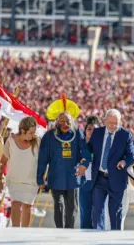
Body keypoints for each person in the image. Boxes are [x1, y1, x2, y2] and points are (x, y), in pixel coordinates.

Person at [37, 96, 91, 229]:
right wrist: (40, 178)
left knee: (72, 207)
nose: (64, 124)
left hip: (73, 177)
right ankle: (59, 231)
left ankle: (69, 232)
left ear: (71, 121)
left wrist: (85, 163)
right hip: (56, 177)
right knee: (59, 205)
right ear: (56, 122)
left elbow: (85, 151)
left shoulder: (77, 134)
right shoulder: (49, 137)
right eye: (61, 121)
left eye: (67, 121)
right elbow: (43, 159)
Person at [89, 109, 134, 230]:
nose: (113, 126)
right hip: (99, 178)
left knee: (115, 212)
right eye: (110, 122)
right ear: (104, 121)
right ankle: (96, 238)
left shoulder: (126, 135)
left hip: (117, 178)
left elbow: (131, 154)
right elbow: (88, 149)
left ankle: (115, 239)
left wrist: (124, 161)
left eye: (116, 123)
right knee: (97, 210)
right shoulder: (97, 133)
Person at [1, 117, 40, 227]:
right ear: (23, 131)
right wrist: (0, 178)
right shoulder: (11, 140)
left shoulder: (37, 142)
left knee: (27, 207)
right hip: (14, 180)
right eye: (31, 132)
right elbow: (3, 161)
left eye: (34, 132)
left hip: (31, 181)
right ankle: (15, 232)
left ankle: (24, 233)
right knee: (15, 204)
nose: (33, 135)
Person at [79, 115, 100, 229]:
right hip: (84, 184)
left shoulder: (103, 147)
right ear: (85, 130)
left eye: (95, 130)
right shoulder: (80, 146)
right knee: (85, 215)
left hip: (99, 184)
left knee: (98, 216)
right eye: (89, 129)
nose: (92, 132)